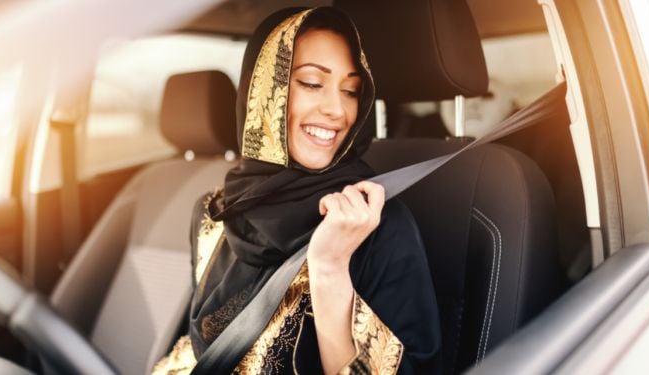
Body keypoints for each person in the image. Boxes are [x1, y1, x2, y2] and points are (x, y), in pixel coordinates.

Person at [153, 7, 440, 374]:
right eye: (311, 83)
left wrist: (330, 270)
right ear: (262, 94)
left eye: (351, 90)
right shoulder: (213, 213)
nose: (338, 110)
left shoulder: (375, 223)